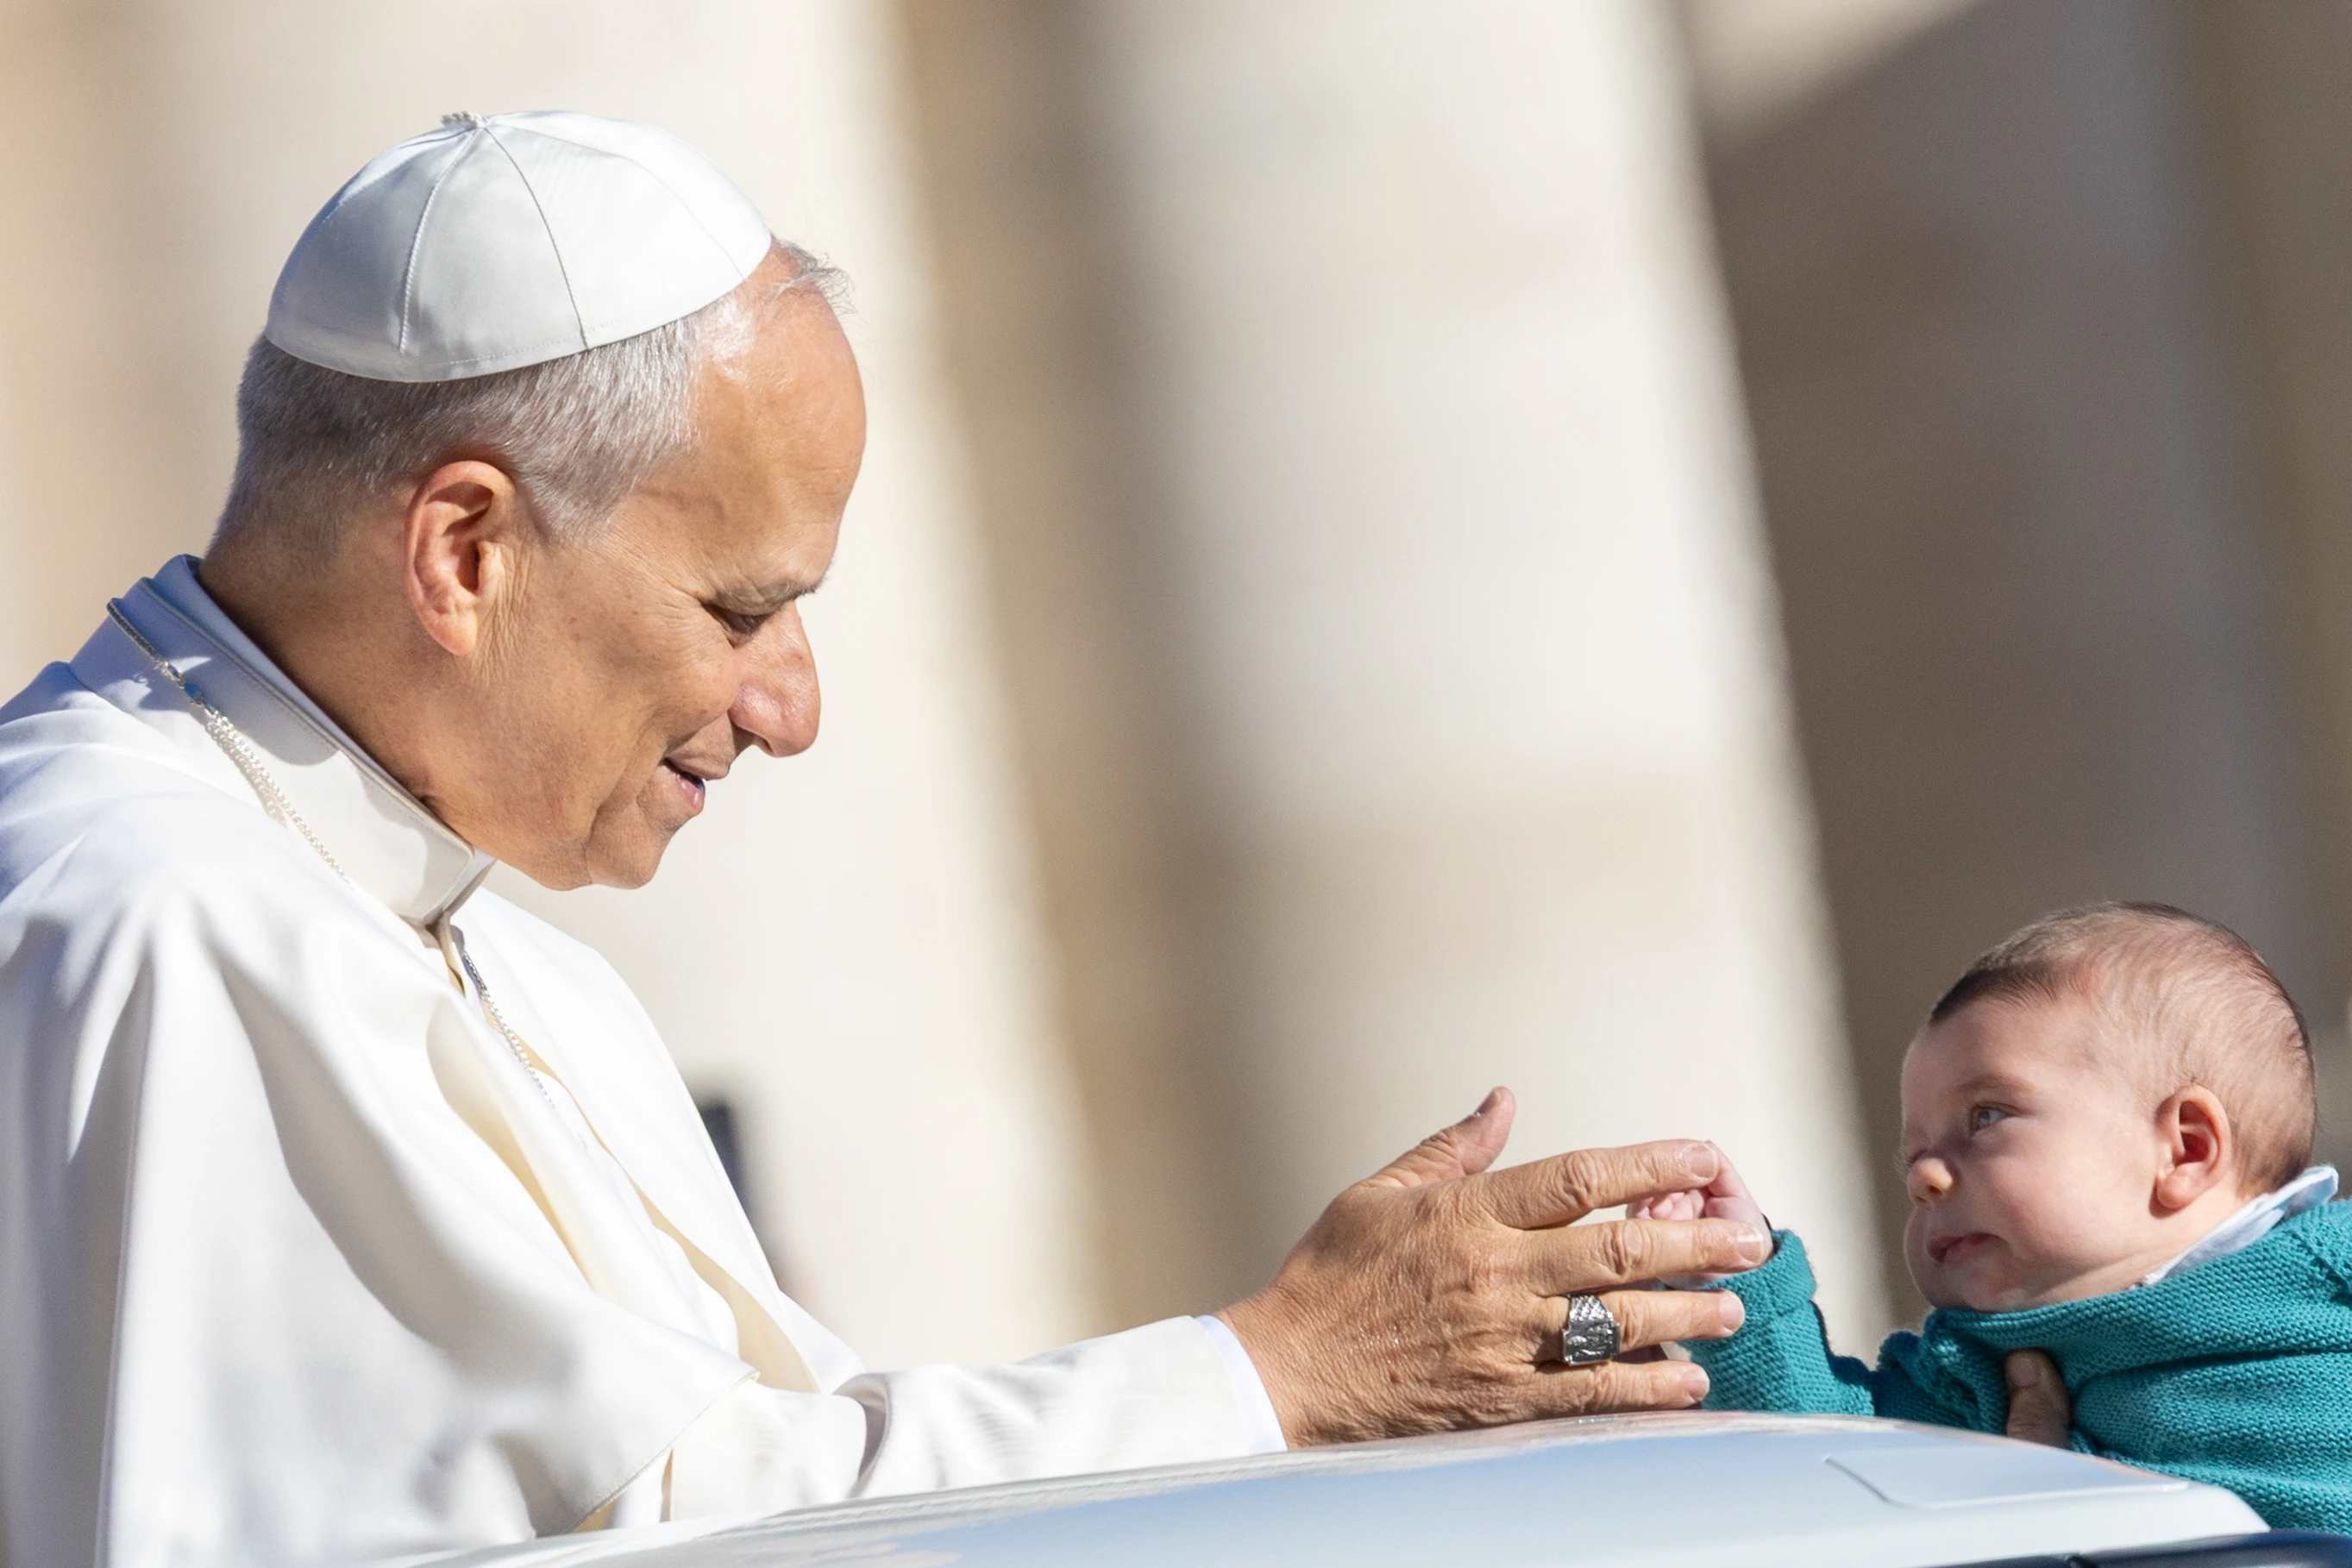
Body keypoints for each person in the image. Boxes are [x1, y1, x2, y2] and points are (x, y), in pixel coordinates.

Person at [0, 111, 1775, 1567]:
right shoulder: (155, 919)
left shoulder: (480, 950)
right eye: (738, 606)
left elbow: (772, 1485)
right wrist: (1277, 1371)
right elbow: (647, 1555)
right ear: (466, 551)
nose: (792, 708)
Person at [1637, 901, 2352, 1530]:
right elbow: (1825, 1433)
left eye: (1985, 1116)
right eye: (1911, 1153)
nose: (1923, 1174)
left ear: (2185, 1148)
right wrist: (1735, 1276)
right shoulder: (1980, 1374)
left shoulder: (2327, 1267)